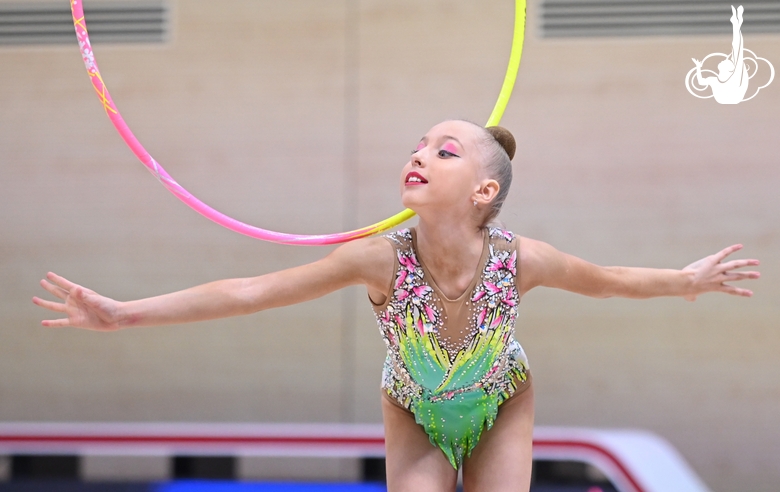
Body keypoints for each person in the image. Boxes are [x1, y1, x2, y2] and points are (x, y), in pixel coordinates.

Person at [33, 119, 760, 492]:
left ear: (484, 193)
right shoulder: (377, 258)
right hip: (411, 408)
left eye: (444, 151)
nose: (418, 154)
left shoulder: (519, 259)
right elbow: (250, 294)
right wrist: (125, 313)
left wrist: (684, 280)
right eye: (416, 145)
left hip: (502, 399)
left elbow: (606, 280)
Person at [692, 5, 749, 104]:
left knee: (737, 51)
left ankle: (736, 24)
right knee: (737, 51)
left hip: (732, 97)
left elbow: (738, 49)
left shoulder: (733, 77)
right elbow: (701, 82)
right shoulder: (716, 80)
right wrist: (698, 67)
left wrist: (736, 26)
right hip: (729, 98)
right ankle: (736, 24)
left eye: (727, 61)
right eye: (728, 60)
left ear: (729, 69)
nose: (724, 59)